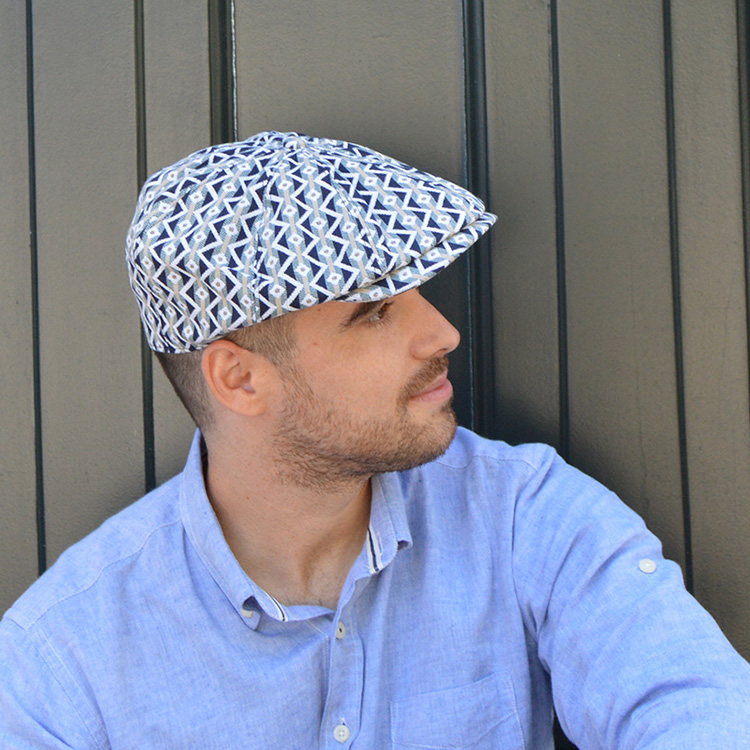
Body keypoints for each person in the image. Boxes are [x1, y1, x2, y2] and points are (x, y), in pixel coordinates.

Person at [1, 131, 749, 749]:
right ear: (240, 378)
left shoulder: (520, 514)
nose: (442, 332)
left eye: (418, 289)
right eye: (376, 310)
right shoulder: (62, 660)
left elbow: (688, 701)